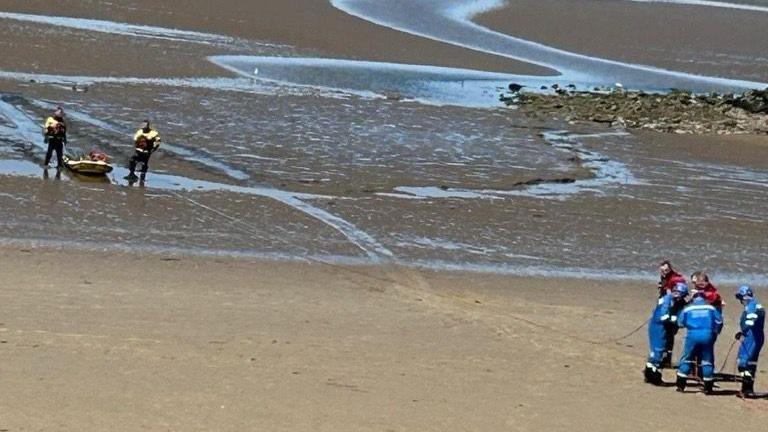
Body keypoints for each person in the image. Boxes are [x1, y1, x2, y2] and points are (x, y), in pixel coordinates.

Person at [676, 290, 723, 394]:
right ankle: (708, 387)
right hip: (708, 334)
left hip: (692, 334)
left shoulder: (688, 308)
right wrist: (716, 331)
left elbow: (680, 323)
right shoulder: (711, 308)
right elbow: (719, 321)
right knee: (707, 359)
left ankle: (681, 385)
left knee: (686, 358)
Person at [645, 282, 689, 385]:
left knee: (660, 352)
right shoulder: (667, 300)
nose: (678, 297)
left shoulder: (678, 302)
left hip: (665, 327)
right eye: (677, 293)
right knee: (659, 352)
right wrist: (676, 320)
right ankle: (655, 378)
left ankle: (649, 374)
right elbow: (663, 317)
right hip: (658, 327)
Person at [734, 285, 765, 397]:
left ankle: (746, 388)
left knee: (742, 363)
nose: (740, 301)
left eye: (740, 298)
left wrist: (743, 332)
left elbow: (751, 320)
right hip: (758, 337)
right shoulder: (757, 305)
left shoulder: (751, 306)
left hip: (751, 337)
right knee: (751, 363)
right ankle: (748, 389)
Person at [657, 261, 687, 367]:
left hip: (674, 308)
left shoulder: (677, 279)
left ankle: (666, 358)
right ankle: (665, 357)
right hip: (666, 306)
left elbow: (680, 294)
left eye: (666, 270)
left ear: (670, 269)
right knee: (665, 333)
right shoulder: (664, 277)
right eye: (662, 270)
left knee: (669, 332)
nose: (663, 272)